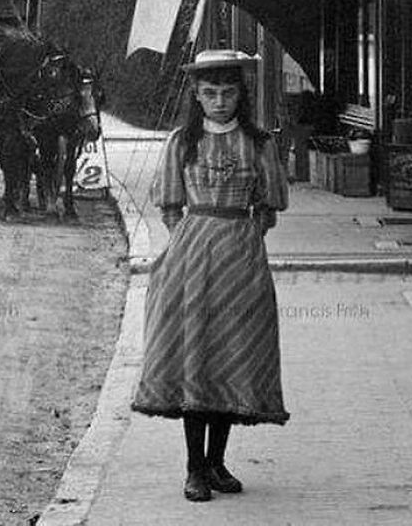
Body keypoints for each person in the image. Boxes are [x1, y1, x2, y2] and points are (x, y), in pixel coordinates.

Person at [131, 49, 289, 503]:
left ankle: (218, 463)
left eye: (229, 92)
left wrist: (241, 238)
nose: (220, 101)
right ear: (197, 97)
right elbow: (168, 207)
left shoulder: (259, 143)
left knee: (232, 354)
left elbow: (269, 208)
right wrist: (194, 240)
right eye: (210, 93)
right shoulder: (183, 141)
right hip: (192, 256)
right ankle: (193, 468)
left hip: (241, 256)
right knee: (195, 355)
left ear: (242, 94)